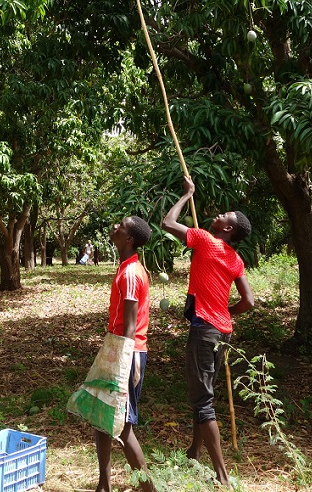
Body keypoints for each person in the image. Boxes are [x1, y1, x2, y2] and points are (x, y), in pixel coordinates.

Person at [161, 176, 254, 487]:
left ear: (227, 228)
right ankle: (194, 451)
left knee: (203, 401)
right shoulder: (235, 259)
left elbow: (167, 222)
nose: (218, 215)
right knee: (204, 395)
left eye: (223, 216)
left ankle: (222, 475)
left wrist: (187, 194)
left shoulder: (203, 239)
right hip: (223, 332)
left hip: (204, 331)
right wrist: (226, 313)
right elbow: (248, 301)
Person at [94, 216, 155, 492]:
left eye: (121, 225)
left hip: (126, 352)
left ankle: (148, 488)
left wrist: (126, 361)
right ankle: (104, 485)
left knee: (123, 425)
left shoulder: (131, 273)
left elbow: (131, 325)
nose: (115, 227)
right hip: (117, 348)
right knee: (101, 418)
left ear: (129, 239)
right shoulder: (128, 267)